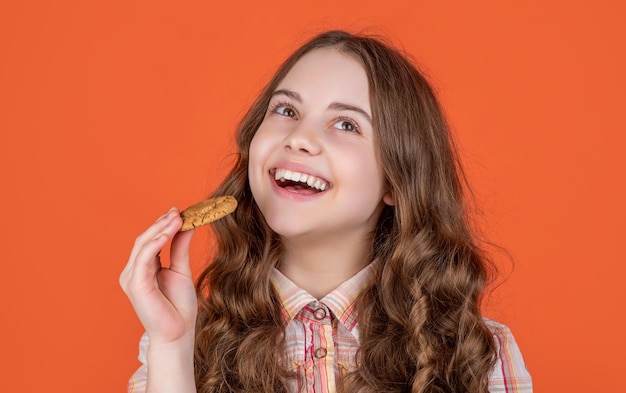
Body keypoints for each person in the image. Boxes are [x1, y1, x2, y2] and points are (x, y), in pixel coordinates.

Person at [120, 30, 533, 393]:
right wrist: (173, 347)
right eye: (286, 111)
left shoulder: (479, 355)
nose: (300, 137)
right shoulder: (180, 342)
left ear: (395, 179)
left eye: (346, 125)